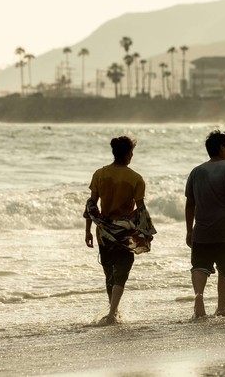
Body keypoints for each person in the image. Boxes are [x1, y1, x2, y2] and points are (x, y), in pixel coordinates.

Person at [185, 130, 225, 318]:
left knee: (199, 266)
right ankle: (221, 307)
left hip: (202, 230)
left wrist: (189, 230)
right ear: (221, 147)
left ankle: (199, 296)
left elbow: (190, 204)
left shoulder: (196, 172)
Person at [85, 136, 147, 325]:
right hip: (124, 232)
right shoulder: (135, 178)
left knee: (109, 273)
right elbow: (141, 209)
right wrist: (145, 234)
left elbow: (91, 205)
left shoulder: (100, 174)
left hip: (103, 231)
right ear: (129, 154)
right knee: (123, 269)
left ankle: (114, 310)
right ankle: (113, 313)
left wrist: (87, 231)